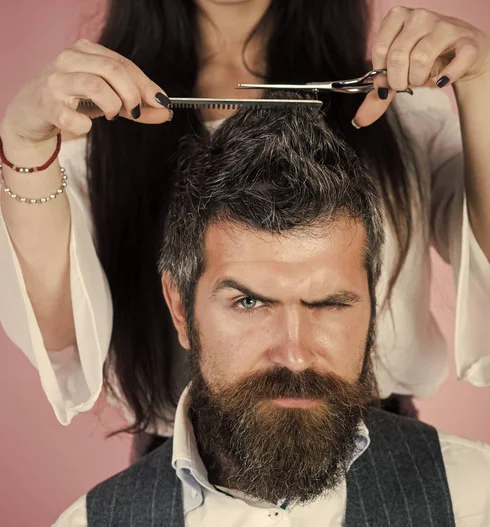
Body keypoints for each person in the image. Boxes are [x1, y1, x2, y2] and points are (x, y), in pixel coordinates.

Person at [27, 101, 490, 527]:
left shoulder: (478, 505)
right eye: (249, 302)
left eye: (330, 303)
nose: (294, 354)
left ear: (372, 305)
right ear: (181, 308)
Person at [1, 1, 490, 447]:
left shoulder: (397, 101)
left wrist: (481, 78)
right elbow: (62, 333)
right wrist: (23, 146)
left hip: (383, 449)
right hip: (187, 465)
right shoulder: (93, 124)